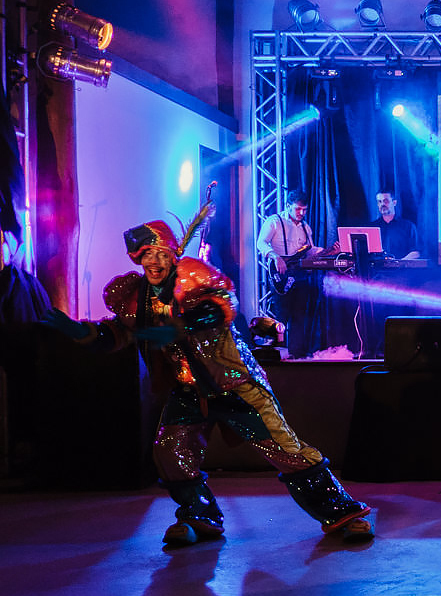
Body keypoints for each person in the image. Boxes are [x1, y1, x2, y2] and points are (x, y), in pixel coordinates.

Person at [42, 214, 373, 545]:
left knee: (286, 451)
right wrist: (78, 330)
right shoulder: (136, 295)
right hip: (187, 390)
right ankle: (199, 516)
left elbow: (220, 306)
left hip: (235, 385)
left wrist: (179, 325)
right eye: (146, 255)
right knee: (170, 451)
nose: (154, 261)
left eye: (160, 254)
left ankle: (342, 512)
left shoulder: (193, 276)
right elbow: (116, 332)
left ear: (173, 254)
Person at [255, 189, 329, 358]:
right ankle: (277, 354)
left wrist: (328, 251)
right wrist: (275, 257)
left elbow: (309, 251)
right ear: (288, 206)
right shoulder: (274, 221)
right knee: (282, 314)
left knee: (300, 316)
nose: (301, 213)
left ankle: (297, 355)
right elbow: (261, 243)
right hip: (280, 277)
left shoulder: (305, 227)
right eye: (297, 209)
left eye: (304, 209)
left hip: (300, 277)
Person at [371, 189, 419, 260]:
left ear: (394, 202)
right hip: (377, 270)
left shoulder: (408, 226)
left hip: (401, 269)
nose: (382, 204)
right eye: (379, 202)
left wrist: (399, 263)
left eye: (386, 201)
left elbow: (416, 253)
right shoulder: (372, 227)